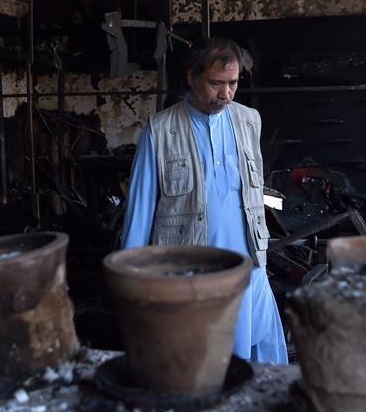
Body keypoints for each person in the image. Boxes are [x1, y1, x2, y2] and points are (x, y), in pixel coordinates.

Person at [121, 37, 288, 364]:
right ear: (192, 77)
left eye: (233, 84)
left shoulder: (249, 120)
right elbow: (139, 212)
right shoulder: (162, 129)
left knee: (260, 358)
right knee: (202, 362)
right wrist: (132, 282)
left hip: (250, 264)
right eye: (215, 84)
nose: (225, 94)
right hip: (194, 273)